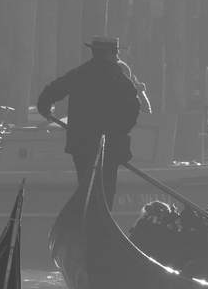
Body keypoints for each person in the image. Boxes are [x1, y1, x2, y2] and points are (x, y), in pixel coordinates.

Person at [35, 36, 143, 207]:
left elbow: (50, 92)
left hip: (82, 143)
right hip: (109, 146)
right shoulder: (118, 77)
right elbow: (134, 106)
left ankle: (88, 218)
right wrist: (120, 131)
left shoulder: (80, 73)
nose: (117, 58)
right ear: (108, 54)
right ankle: (99, 222)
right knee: (106, 191)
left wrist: (45, 109)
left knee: (86, 187)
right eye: (116, 53)